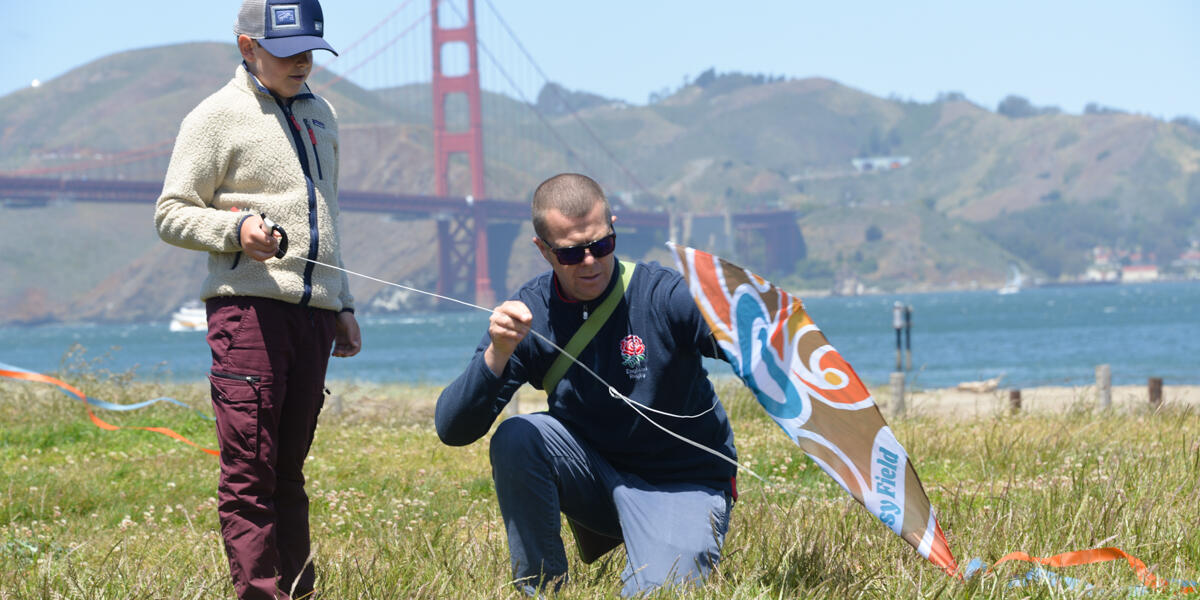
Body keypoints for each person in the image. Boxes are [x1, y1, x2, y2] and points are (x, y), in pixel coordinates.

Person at [435, 173, 738, 597]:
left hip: (683, 483)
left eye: (601, 244)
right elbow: (453, 429)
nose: (591, 261)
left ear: (613, 228)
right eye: (571, 253)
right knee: (518, 436)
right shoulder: (531, 312)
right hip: (595, 481)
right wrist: (497, 353)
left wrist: (752, 323)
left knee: (657, 594)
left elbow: (751, 351)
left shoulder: (663, 293)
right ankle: (542, 590)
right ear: (543, 250)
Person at [154, 1, 360, 597]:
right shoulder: (214, 117)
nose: (302, 62)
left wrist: (341, 302)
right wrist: (235, 229)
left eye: (311, 51)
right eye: (287, 49)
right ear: (248, 47)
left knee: (288, 474)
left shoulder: (325, 114)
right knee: (250, 474)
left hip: (314, 317)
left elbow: (329, 214)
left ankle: (298, 591)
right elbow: (170, 213)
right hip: (247, 315)